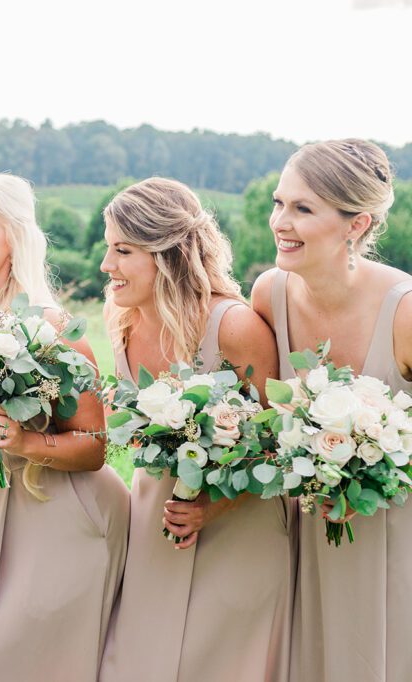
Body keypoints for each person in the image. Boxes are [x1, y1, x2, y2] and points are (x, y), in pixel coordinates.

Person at [99, 177, 288, 682]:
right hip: (155, 523)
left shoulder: (233, 326)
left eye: (122, 250)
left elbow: (281, 444)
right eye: (107, 249)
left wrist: (213, 506)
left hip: (239, 531)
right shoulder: (120, 322)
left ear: (168, 254)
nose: (106, 266)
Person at [0, 172, 129, 681]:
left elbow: (95, 446)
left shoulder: (50, 327)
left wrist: (24, 440)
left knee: (22, 657)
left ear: (14, 239)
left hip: (63, 513)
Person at [251, 139, 412, 681]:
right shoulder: (268, 294)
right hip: (301, 528)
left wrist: (372, 467)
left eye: (302, 208)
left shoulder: (405, 312)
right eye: (279, 203)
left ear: (356, 225)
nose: (280, 221)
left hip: (392, 536)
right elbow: (264, 418)